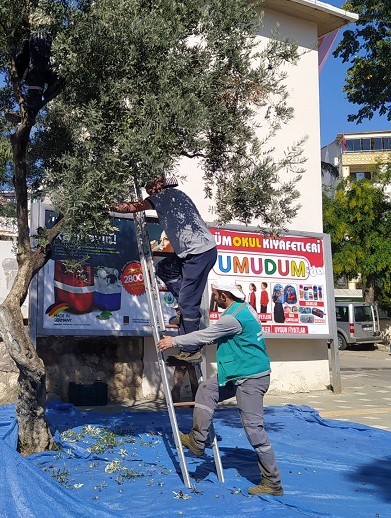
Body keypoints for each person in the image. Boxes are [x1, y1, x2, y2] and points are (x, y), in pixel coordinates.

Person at [156, 280, 284, 496]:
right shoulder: (244, 308)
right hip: (237, 373)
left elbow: (206, 335)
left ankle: (272, 482)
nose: (213, 298)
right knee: (207, 388)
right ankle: (197, 440)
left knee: (254, 430)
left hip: (251, 378)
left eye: (215, 294)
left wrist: (174, 341)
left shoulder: (232, 318)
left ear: (224, 296)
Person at [112, 174, 218, 362]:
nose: (148, 190)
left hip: (199, 254)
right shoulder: (177, 195)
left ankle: (191, 349)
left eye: (150, 185)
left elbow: (133, 208)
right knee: (165, 270)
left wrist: (107, 206)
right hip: (190, 253)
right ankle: (185, 311)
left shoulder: (165, 196)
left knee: (188, 301)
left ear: (159, 184)